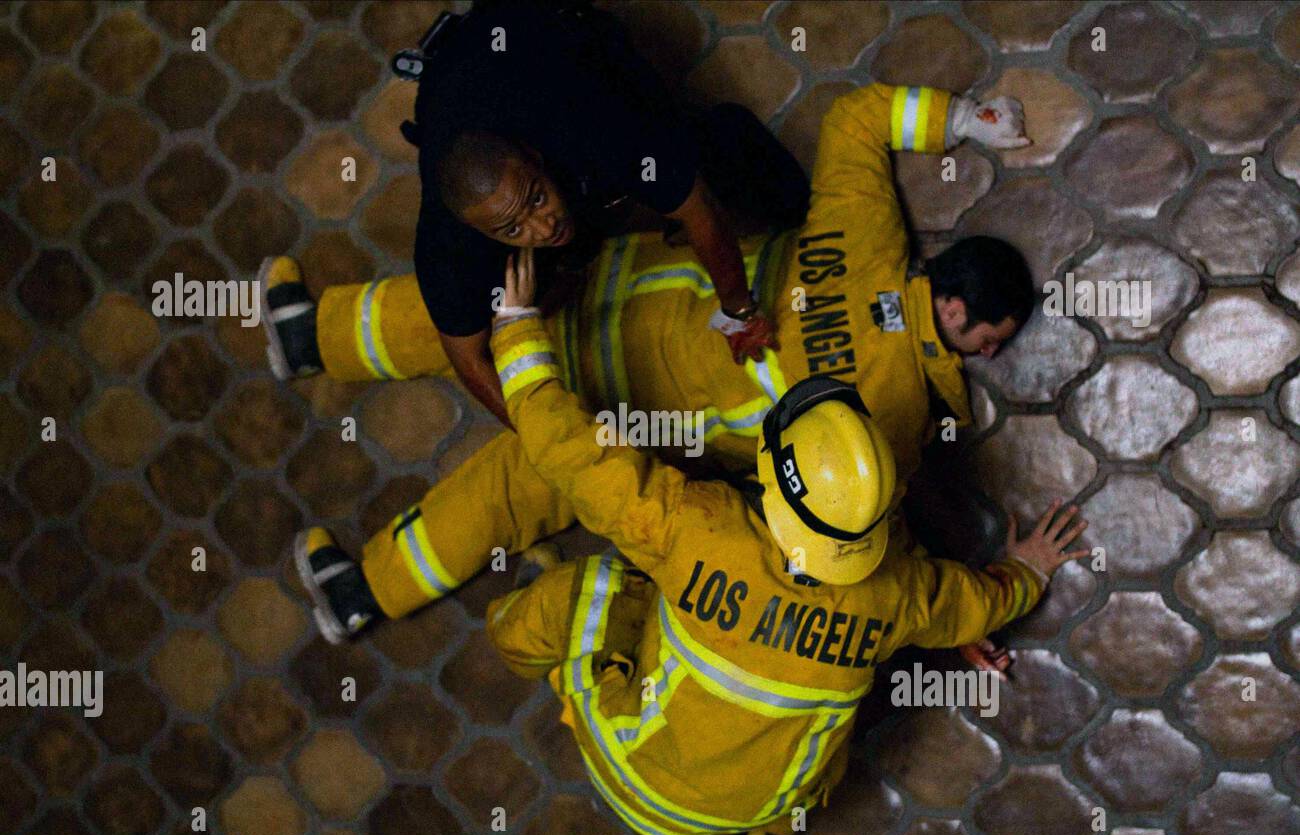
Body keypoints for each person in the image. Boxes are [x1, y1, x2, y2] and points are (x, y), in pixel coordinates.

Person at [287, 82, 1038, 651]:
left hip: (608, 297)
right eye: (992, 338)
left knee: (471, 311)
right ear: (955, 316)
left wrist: (966, 120)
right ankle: (359, 592)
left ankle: (309, 333)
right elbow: (880, 559)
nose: (991, 353)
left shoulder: (864, 235)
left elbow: (858, 120)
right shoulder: (894, 425)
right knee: (512, 491)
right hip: (627, 416)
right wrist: (969, 622)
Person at [443, 254, 1085, 835]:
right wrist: (1030, 568)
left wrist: (517, 326)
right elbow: (976, 606)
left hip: (635, 775)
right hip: (769, 807)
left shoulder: (700, 526)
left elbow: (569, 453)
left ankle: (508, 637)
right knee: (819, 733)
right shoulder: (898, 593)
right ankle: (764, 830)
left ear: (773, 488)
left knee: (601, 589)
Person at [261, 0, 809, 425]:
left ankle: (797, 206)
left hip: (546, 38)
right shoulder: (449, 246)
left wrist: (738, 310)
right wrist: (554, 440)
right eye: (513, 227)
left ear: (540, 160)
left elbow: (698, 208)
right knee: (521, 306)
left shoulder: (594, 125)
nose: (542, 226)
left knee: (715, 149)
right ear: (478, 230)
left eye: (538, 199)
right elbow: (469, 359)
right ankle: (311, 335)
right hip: (460, 78)